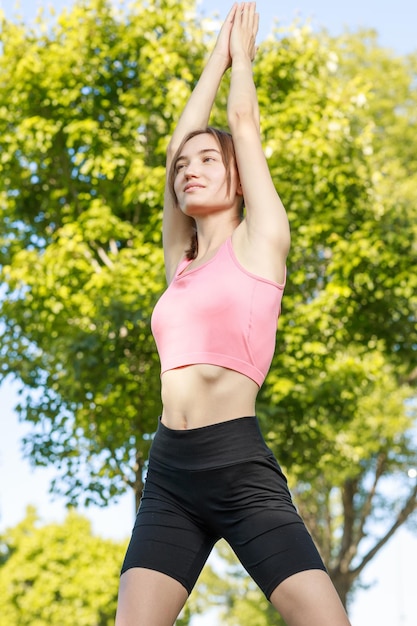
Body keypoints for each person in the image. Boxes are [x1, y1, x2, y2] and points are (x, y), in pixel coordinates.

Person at [115, 3, 352, 625]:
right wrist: (211, 61)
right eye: (182, 168)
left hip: (238, 466)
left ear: (239, 179)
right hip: (168, 473)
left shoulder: (261, 240)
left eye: (207, 162)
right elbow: (176, 143)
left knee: (325, 621)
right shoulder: (182, 262)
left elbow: (242, 123)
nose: (188, 170)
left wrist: (239, 59)